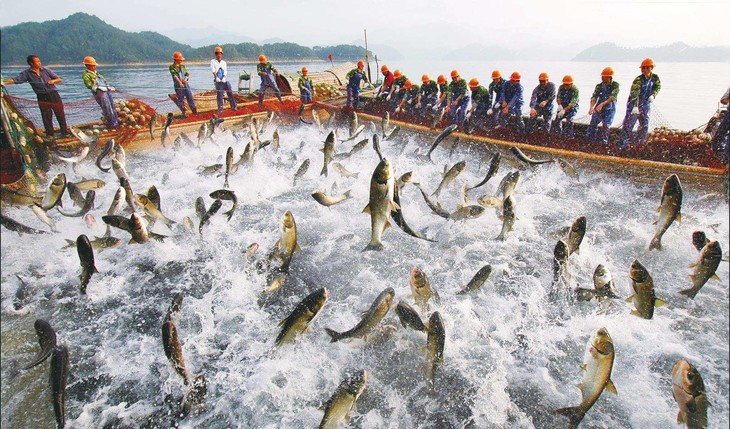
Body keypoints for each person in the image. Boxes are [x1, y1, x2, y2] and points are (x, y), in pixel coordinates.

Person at [3, 55, 69, 139]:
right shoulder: (27, 73)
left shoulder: (45, 70)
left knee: (60, 113)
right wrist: (4, 83)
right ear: (31, 63)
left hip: (53, 94)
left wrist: (53, 81)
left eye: (39, 61)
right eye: (37, 61)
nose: (39, 63)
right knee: (46, 115)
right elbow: (16, 80)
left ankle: (65, 132)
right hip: (41, 96)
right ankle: (50, 134)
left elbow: (59, 79)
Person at [618, 58, 661, 149]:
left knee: (644, 125)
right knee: (628, 125)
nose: (643, 70)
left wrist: (653, 95)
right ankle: (622, 146)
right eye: (642, 68)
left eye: (646, 68)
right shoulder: (638, 80)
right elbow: (634, 94)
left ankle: (638, 144)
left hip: (646, 104)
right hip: (634, 104)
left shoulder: (655, 78)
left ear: (651, 68)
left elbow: (657, 86)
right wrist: (635, 106)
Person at [82, 56, 119, 130]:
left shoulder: (98, 74)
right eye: (93, 65)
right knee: (107, 109)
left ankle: (116, 124)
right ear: (87, 66)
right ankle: (112, 126)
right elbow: (89, 85)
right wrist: (98, 87)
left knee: (112, 107)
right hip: (100, 94)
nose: (94, 66)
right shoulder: (86, 75)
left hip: (106, 91)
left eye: (94, 65)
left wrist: (108, 86)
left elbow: (105, 81)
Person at [586, 67, 620, 145]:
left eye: (604, 77)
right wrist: (591, 108)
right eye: (602, 76)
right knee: (593, 123)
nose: (602, 78)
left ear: (610, 77)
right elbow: (594, 96)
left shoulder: (615, 85)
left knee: (606, 125)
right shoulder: (599, 86)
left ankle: (603, 143)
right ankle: (590, 141)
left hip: (610, 109)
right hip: (598, 109)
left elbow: (613, 97)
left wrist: (602, 104)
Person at [169, 51, 197, 118]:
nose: (181, 61)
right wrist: (180, 83)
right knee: (180, 100)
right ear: (176, 59)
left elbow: (187, 74)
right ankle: (184, 113)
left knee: (190, 97)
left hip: (186, 85)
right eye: (180, 59)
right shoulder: (172, 67)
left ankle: (195, 113)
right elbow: (175, 76)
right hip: (178, 86)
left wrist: (186, 79)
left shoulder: (182, 66)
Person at [210, 46, 238, 113]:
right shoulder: (213, 61)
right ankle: (220, 110)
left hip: (224, 80)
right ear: (216, 54)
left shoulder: (224, 62)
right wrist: (216, 77)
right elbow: (213, 70)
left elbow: (225, 71)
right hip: (218, 81)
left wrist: (224, 77)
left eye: (220, 54)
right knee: (220, 95)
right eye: (218, 54)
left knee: (230, 92)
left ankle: (234, 107)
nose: (219, 55)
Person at [710, 86, 730, 164]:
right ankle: (718, 155)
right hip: (728, 115)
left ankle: (727, 160)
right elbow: (723, 100)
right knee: (719, 135)